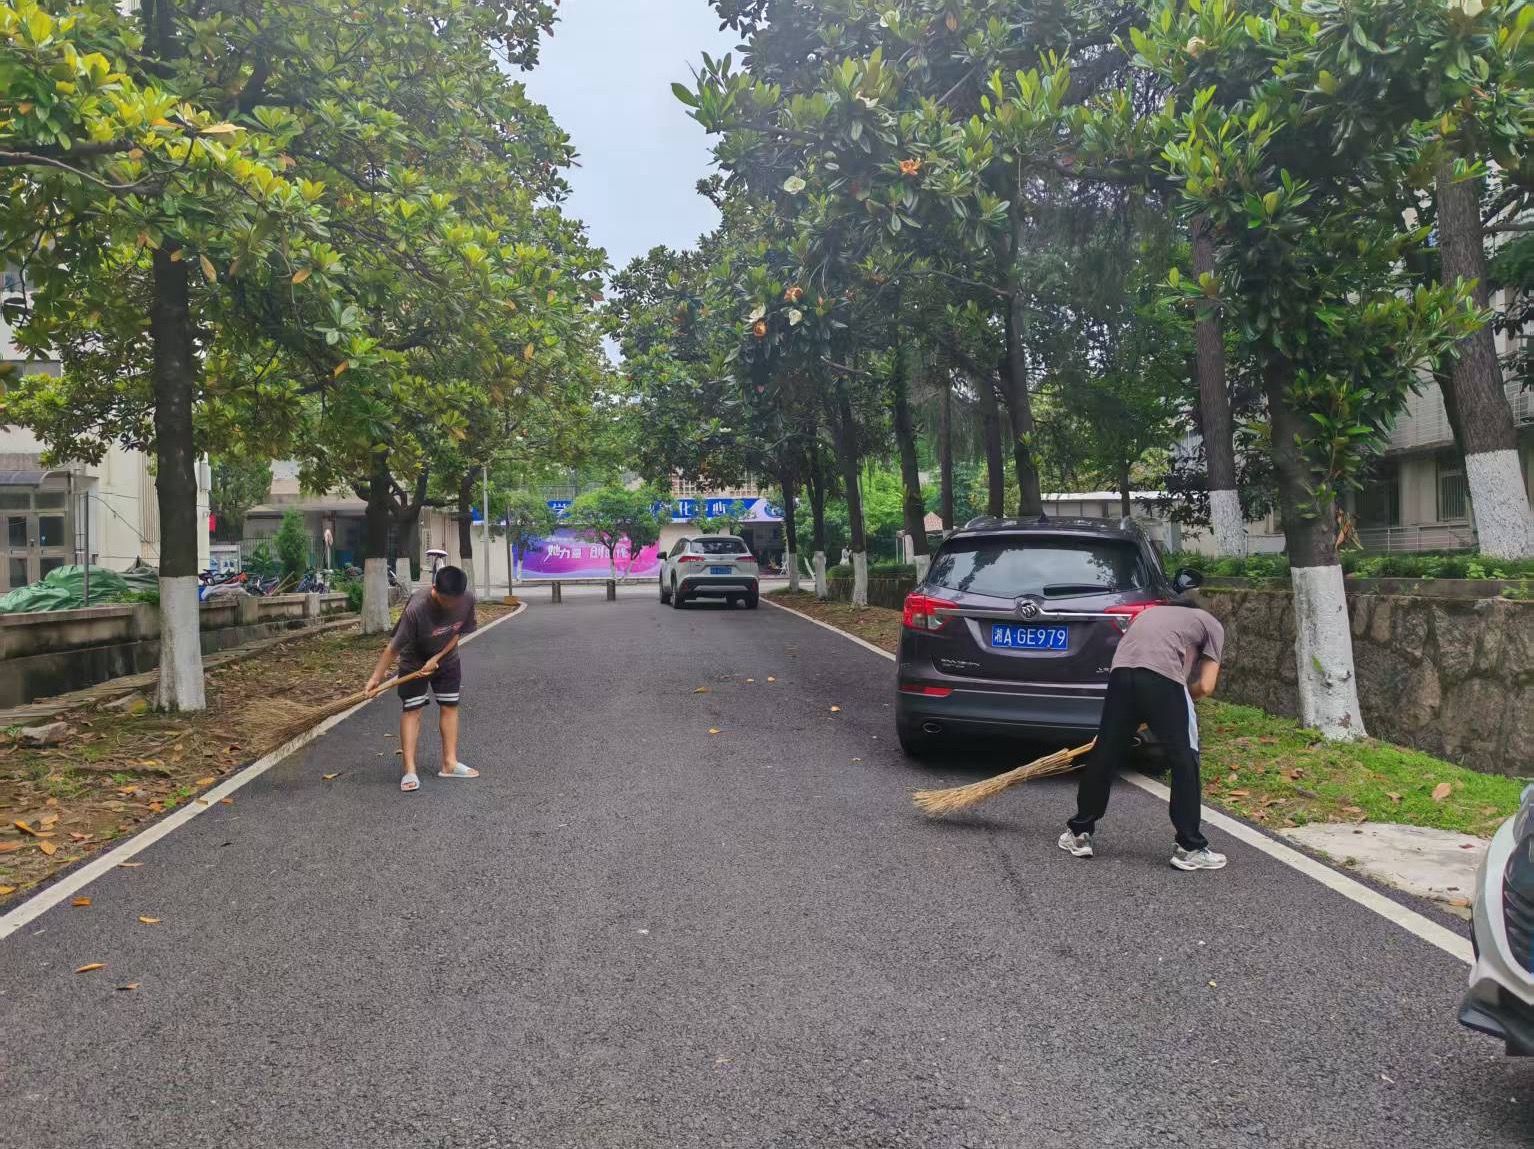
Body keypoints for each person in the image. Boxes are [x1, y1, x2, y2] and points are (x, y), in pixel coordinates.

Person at [1058, 596, 1227, 871]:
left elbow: (1140, 661)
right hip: (1162, 679)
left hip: (1121, 675)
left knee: (1105, 753)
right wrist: (1170, 705)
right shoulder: (1209, 623)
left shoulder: (1149, 615)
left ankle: (1079, 833)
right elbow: (1206, 686)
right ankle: (1189, 847)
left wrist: (1145, 710)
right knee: (1184, 759)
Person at [365, 564, 479, 793]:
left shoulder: (466, 599)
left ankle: (449, 763)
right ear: (435, 589)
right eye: (447, 600)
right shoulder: (417, 607)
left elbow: (457, 632)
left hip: (446, 659)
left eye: (455, 600)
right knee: (412, 710)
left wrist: (437, 657)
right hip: (414, 660)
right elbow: (393, 648)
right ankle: (409, 769)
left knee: (450, 706)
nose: (452, 605)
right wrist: (376, 678)